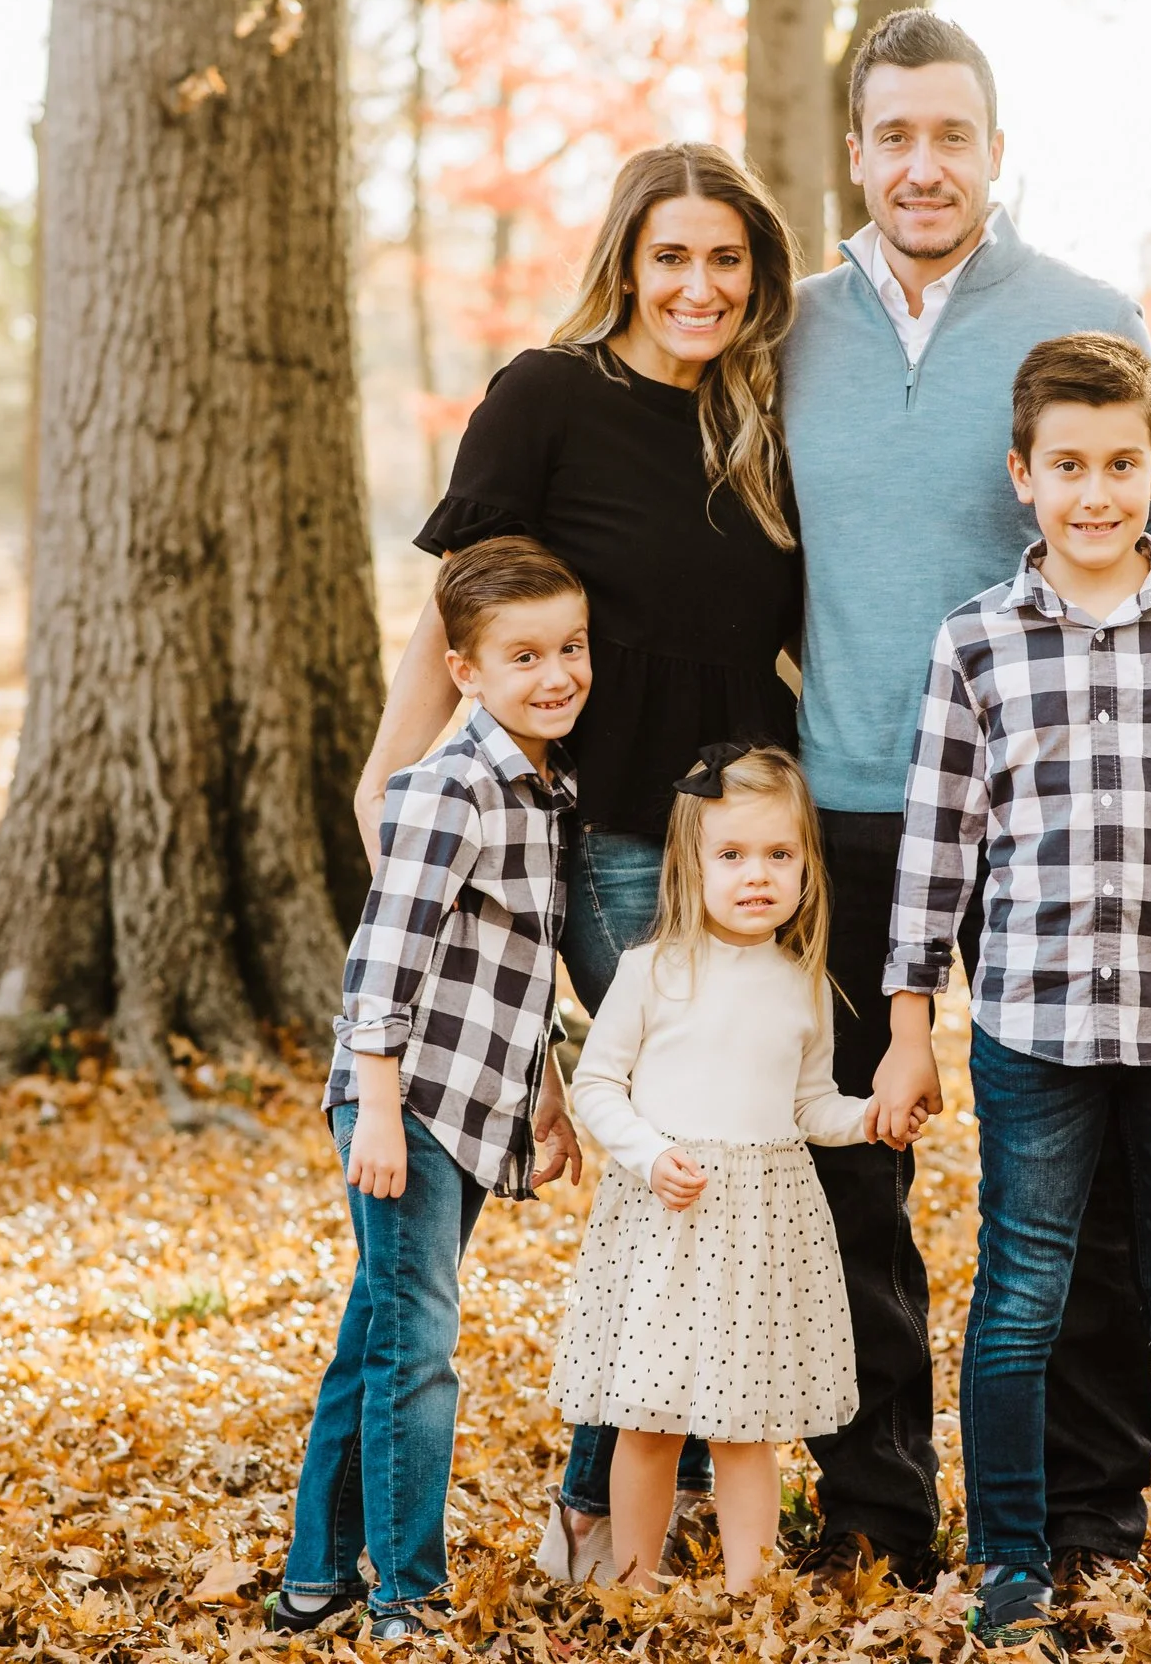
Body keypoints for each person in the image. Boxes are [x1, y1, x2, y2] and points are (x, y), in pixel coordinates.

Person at [778, 8, 1151, 1585]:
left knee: (1103, 1203)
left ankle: (1085, 1513)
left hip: (1058, 811)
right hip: (851, 805)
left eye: (952, 135)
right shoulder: (788, 330)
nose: (923, 165)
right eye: (895, 136)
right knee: (857, 1171)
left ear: (996, 149)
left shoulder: (1083, 309)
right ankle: (881, 1506)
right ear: (856, 153)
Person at [350, 142, 806, 1580]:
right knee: (670, 1148)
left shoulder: (759, 414)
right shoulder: (547, 395)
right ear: (626, 261)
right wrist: (389, 772)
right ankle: (595, 1511)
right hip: (611, 846)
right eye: (671, 256)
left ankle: (648, 1492)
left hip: (746, 850)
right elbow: (464, 604)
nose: (698, 285)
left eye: (725, 258)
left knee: (734, 1151)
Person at [877, 334, 1151, 1641]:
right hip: (1033, 1022)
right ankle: (1010, 1558)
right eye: (1067, 466)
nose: (1096, 492)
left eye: (1122, 464)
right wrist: (908, 1025)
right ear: (1023, 475)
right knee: (1021, 1295)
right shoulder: (977, 641)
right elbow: (937, 842)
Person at [271, 537, 591, 1639]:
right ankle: (408, 1596)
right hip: (407, 1105)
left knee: (377, 1334)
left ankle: (315, 1577)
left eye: (570, 647)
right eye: (523, 656)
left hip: (468, 1099)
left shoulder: (546, 785)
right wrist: (375, 1106)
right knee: (418, 1353)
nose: (556, 674)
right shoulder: (450, 787)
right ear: (464, 671)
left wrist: (546, 1092)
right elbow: (383, 955)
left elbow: (514, 965)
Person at [548, 745, 869, 1593]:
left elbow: (810, 1105)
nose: (756, 874)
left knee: (744, 1425)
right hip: (668, 1223)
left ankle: (747, 1590)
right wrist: (651, 1155)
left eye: (779, 854)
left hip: (761, 1228)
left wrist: (868, 1118)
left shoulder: (803, 982)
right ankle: (633, 1580)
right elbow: (598, 1084)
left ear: (806, 865)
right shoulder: (652, 970)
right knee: (648, 1420)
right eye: (731, 854)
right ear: (692, 865)